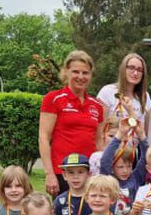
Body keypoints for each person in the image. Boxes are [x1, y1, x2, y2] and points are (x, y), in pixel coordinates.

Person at [39, 50, 106, 196]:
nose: (81, 77)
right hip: (63, 173)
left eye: (85, 73)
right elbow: (43, 137)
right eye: (76, 71)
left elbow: (99, 142)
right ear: (66, 72)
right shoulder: (53, 98)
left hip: (90, 174)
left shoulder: (97, 105)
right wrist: (49, 173)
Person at [97, 53, 151, 126]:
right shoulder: (108, 92)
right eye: (131, 68)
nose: (135, 73)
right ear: (123, 69)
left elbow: (146, 132)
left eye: (139, 70)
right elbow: (100, 129)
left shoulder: (145, 97)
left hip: (136, 137)